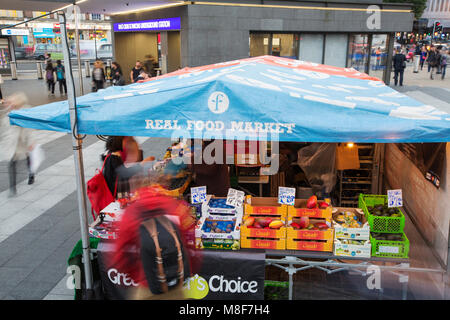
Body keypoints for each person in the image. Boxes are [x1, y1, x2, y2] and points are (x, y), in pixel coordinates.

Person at [110, 185, 198, 300]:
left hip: (149, 287)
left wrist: (139, 276)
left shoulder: (132, 212)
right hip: (177, 282)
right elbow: (190, 242)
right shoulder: (170, 205)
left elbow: (120, 255)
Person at [1, 92, 36, 197]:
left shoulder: (24, 111)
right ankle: (13, 188)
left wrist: (31, 142)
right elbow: (5, 128)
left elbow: (29, 129)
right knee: (12, 163)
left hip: (23, 140)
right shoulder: (7, 112)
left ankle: (31, 173)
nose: (7, 104)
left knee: (28, 157)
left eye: (9, 102)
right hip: (13, 142)